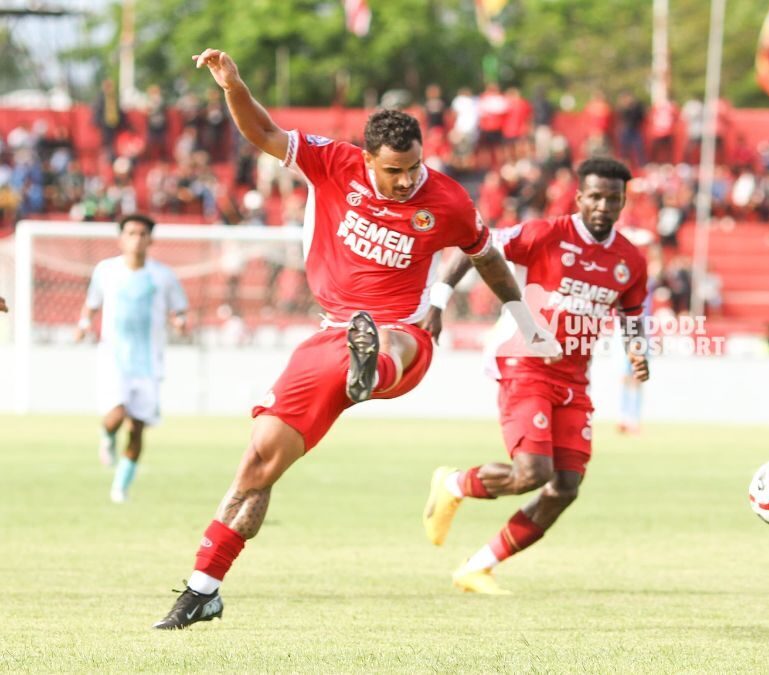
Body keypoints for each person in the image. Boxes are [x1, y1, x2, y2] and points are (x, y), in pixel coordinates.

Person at [152, 49, 560, 630]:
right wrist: (233, 85)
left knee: (386, 341)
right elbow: (264, 131)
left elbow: (487, 257)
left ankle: (369, 371)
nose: (406, 180)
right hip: (330, 337)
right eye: (394, 171)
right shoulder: (331, 162)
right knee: (258, 463)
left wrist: (524, 319)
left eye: (414, 167)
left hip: (404, 337)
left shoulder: (445, 200)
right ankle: (204, 585)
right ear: (367, 158)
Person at [419, 158, 650, 595]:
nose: (603, 205)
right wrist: (438, 302)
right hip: (523, 361)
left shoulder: (630, 260)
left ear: (623, 202)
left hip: (574, 378)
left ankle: (476, 567)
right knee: (532, 473)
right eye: (595, 196)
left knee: (565, 487)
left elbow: (633, 313)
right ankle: (453, 484)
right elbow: (475, 245)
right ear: (580, 196)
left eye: (613, 198)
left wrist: (639, 351)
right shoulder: (545, 234)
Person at [76, 214, 188, 503]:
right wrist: (83, 325)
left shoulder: (162, 275)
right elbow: (92, 305)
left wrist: (180, 322)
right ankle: (107, 436)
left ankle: (120, 487)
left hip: (149, 362)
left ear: (150, 239)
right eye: (131, 233)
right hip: (113, 357)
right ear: (121, 238)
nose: (136, 239)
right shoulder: (106, 270)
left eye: (142, 234)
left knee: (138, 426)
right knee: (115, 415)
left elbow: (179, 309)